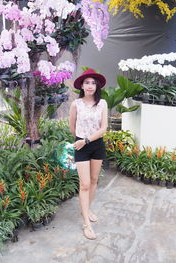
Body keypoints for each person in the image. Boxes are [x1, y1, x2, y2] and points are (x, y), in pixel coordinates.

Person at [69, 68, 108, 240]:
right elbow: (72, 125)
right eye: (87, 83)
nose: (90, 86)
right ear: (82, 86)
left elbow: (104, 128)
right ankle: (86, 222)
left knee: (93, 180)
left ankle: (88, 208)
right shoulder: (76, 104)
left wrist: (86, 140)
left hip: (96, 145)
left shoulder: (103, 103)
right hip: (81, 147)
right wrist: (80, 140)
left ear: (97, 85)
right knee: (84, 184)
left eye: (93, 83)